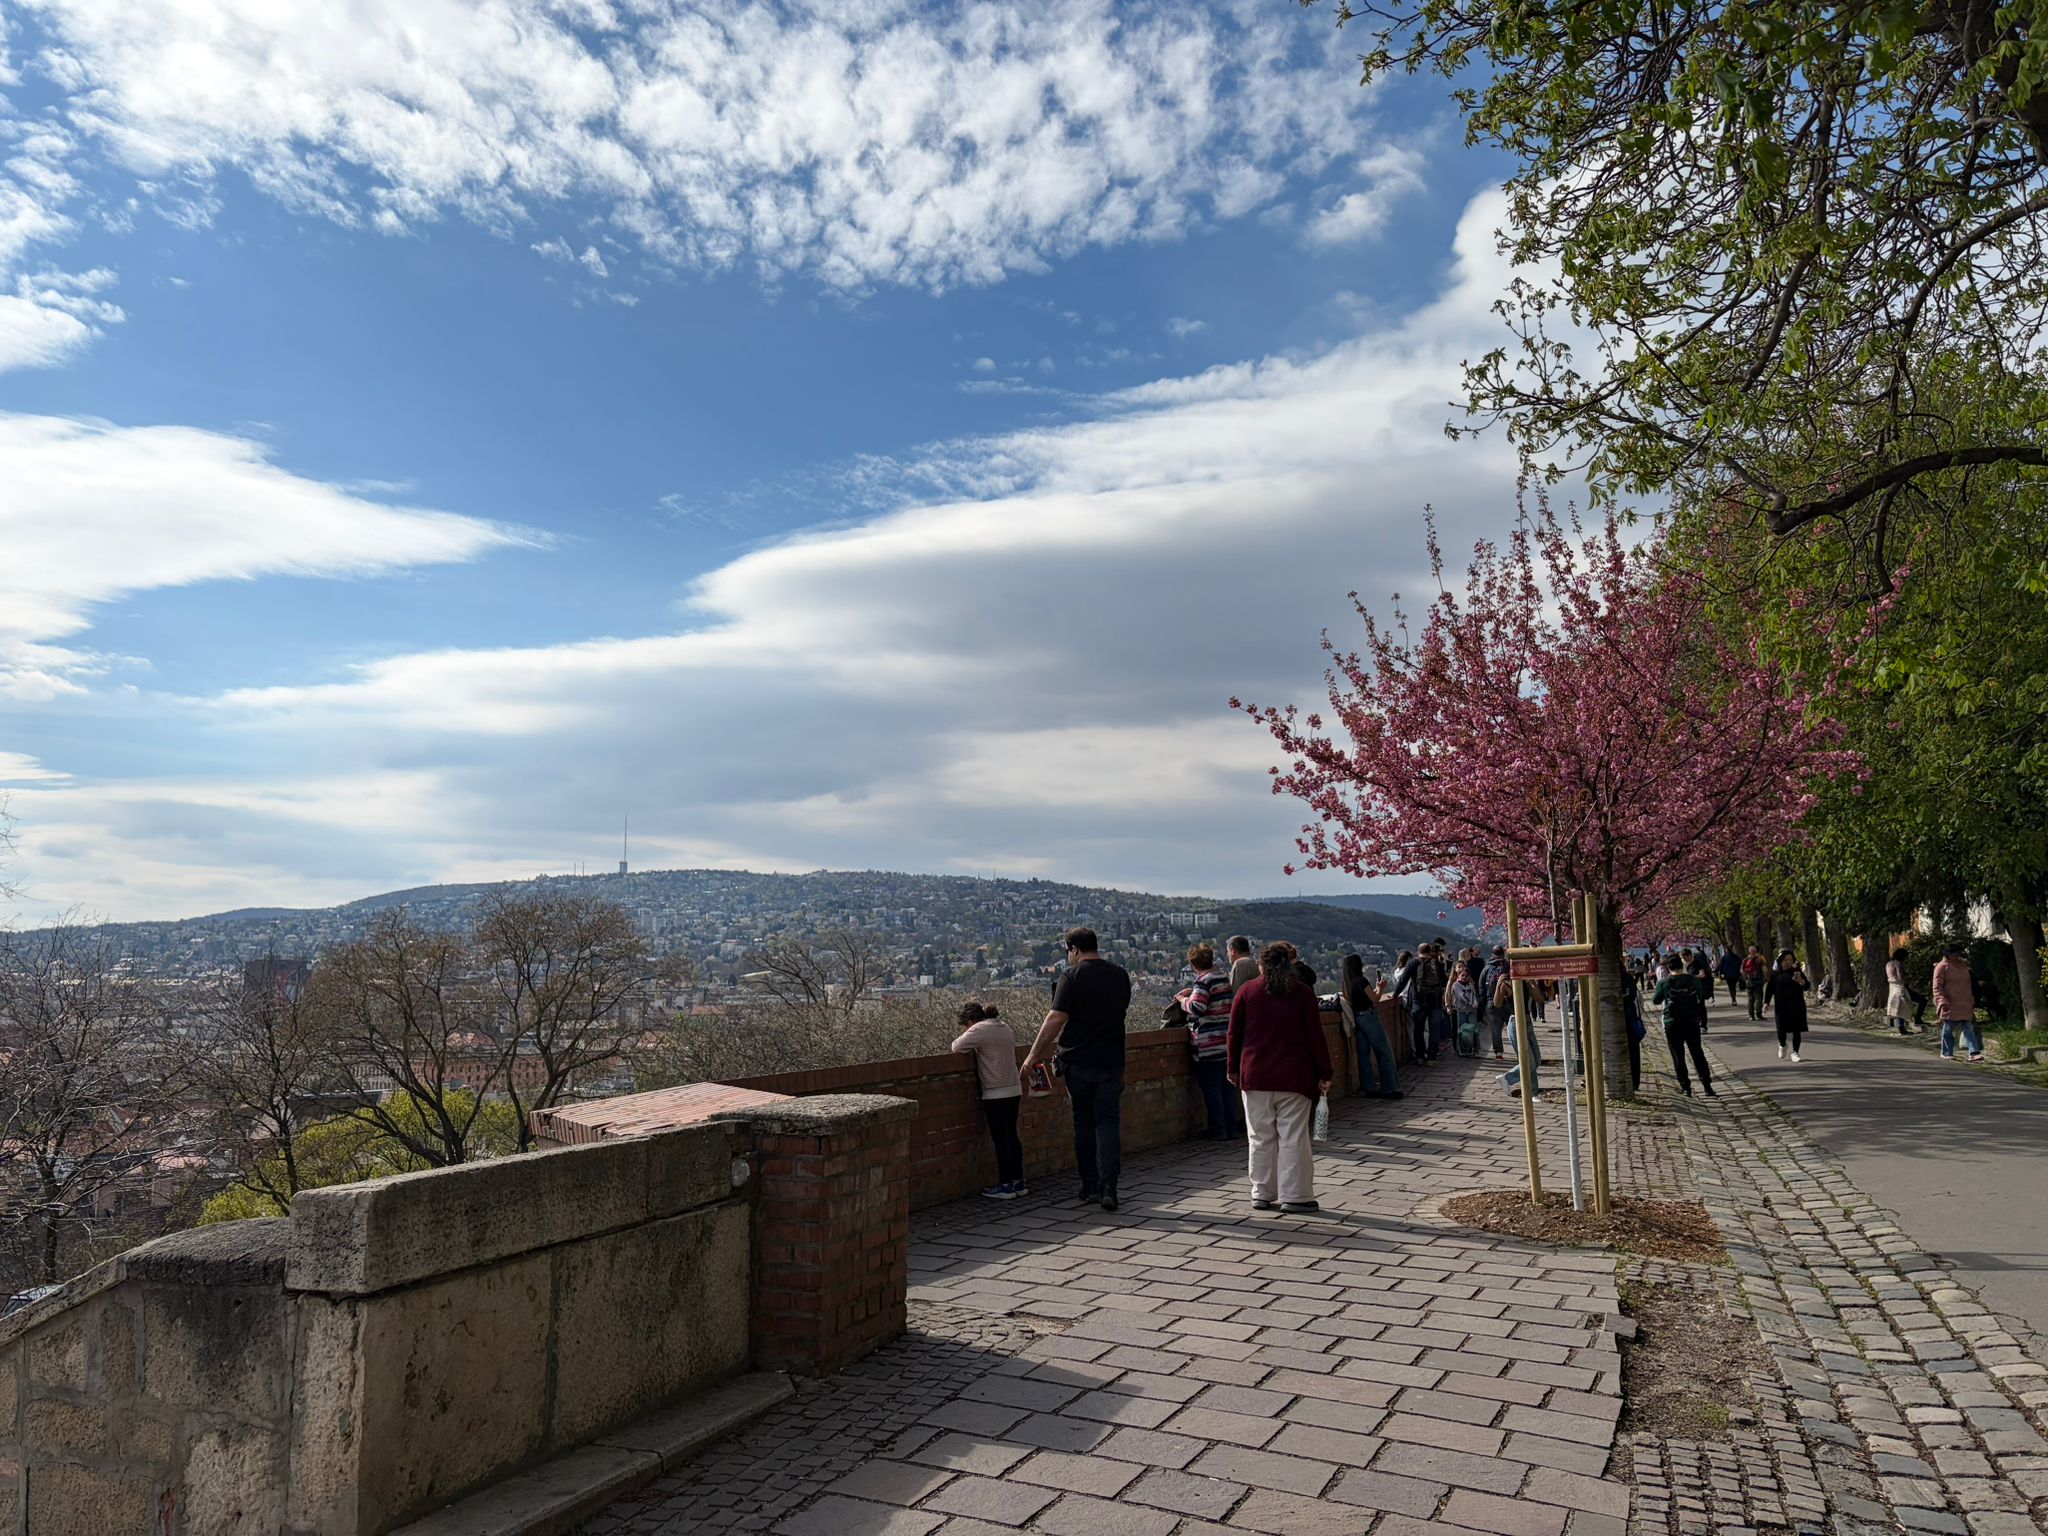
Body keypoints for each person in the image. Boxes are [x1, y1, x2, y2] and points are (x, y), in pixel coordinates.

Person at [1021, 927, 1133, 1211]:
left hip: (1078, 1061)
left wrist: (1033, 1055)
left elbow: (1056, 1018)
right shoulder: (1120, 975)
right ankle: (1110, 1188)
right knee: (1109, 1124)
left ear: (1074, 949)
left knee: (1083, 1124)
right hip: (1111, 1060)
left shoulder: (1071, 977)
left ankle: (1090, 1186)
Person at [1227, 941, 1333, 1214]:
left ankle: (1261, 1192)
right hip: (1294, 1076)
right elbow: (1315, 1037)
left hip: (1255, 1075)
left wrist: (1233, 1069)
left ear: (1260, 965)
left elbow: (1234, 1034)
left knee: (1259, 1137)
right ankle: (1295, 1195)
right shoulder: (1302, 993)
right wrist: (1325, 1072)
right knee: (1293, 1137)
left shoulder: (1246, 992)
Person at [952, 1002, 1025, 1198]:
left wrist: (970, 1034)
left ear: (971, 1021)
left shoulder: (979, 1029)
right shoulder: (1004, 1026)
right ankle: (1019, 1182)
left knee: (1001, 1140)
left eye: (965, 1026)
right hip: (1013, 1088)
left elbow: (956, 1046)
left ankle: (1006, 1185)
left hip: (995, 1091)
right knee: (1012, 1136)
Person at [1183, 943, 1239, 1139]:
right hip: (1226, 1042)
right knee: (1228, 1088)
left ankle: (1219, 1129)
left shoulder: (1203, 981)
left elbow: (1197, 1008)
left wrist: (1183, 1001)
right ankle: (1232, 1127)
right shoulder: (1222, 978)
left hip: (1208, 1044)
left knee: (1211, 1088)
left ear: (1193, 965)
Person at [1651, 953, 1714, 1096]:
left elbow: (1656, 1000)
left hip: (1672, 1022)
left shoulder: (1665, 982)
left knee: (1678, 1055)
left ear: (1668, 967)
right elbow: (1701, 996)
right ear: (1682, 965)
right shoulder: (1693, 980)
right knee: (1697, 1053)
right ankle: (1707, 1085)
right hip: (1691, 1021)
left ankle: (1685, 1087)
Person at [1340, 954, 1401, 1099]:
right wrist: (1380, 988)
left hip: (1357, 1018)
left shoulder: (1347, 984)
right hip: (1368, 1016)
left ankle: (1369, 1088)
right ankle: (1390, 1088)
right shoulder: (1361, 981)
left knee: (1363, 1054)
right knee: (1383, 1051)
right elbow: (1375, 998)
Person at [1932, 944, 1983, 1062]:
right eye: (1954, 953)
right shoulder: (1941, 967)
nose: (1957, 955)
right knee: (1948, 1029)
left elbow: (1969, 984)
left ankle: (1974, 1052)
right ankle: (1946, 1052)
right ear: (1948, 954)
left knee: (1968, 1028)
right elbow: (1937, 987)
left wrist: (1972, 999)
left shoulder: (1963, 966)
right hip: (1949, 1003)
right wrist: (1941, 1001)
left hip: (1964, 1002)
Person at [1766, 949, 1811, 1061]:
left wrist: (1801, 981)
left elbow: (1807, 986)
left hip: (1797, 1005)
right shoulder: (1776, 975)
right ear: (1781, 961)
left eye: (1790, 960)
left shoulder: (1797, 972)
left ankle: (1795, 1052)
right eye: (1785, 960)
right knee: (1781, 1029)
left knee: (1796, 1029)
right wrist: (1766, 1002)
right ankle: (1782, 1044)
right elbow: (1769, 989)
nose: (1788, 962)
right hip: (1781, 1006)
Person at [1412, 942, 1452, 1061]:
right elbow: (1444, 982)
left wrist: (1395, 994)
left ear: (1418, 951)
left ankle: (1420, 1056)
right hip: (1435, 1002)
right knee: (1434, 1029)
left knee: (1418, 1029)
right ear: (1430, 952)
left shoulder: (1414, 963)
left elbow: (1403, 980)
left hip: (1419, 1001)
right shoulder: (1437, 964)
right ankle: (1432, 1058)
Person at [1480, 945, 1511, 1060]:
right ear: (1503, 953)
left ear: (1492, 954)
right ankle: (1520, 1049)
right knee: (1513, 1026)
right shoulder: (1507, 965)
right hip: (1507, 1000)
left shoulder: (1487, 968)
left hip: (1491, 1002)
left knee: (1495, 1028)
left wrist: (1483, 1005)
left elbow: (1481, 987)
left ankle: (1498, 1052)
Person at [1885, 947, 1915, 1035]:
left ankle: (1900, 1027)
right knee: (1902, 1005)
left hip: (1892, 986)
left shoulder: (1888, 964)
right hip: (1899, 986)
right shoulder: (1898, 964)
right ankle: (1902, 1027)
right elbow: (1900, 976)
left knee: (1896, 1006)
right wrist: (1908, 979)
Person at [1742, 946, 1768, 1020]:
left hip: (1749, 982)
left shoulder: (1745, 959)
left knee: (1750, 999)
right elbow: (1765, 970)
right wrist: (1766, 978)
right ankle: (1758, 1014)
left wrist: (1745, 979)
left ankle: (1751, 1015)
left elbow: (1742, 970)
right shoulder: (1759, 959)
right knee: (1758, 998)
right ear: (1756, 951)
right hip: (1758, 981)